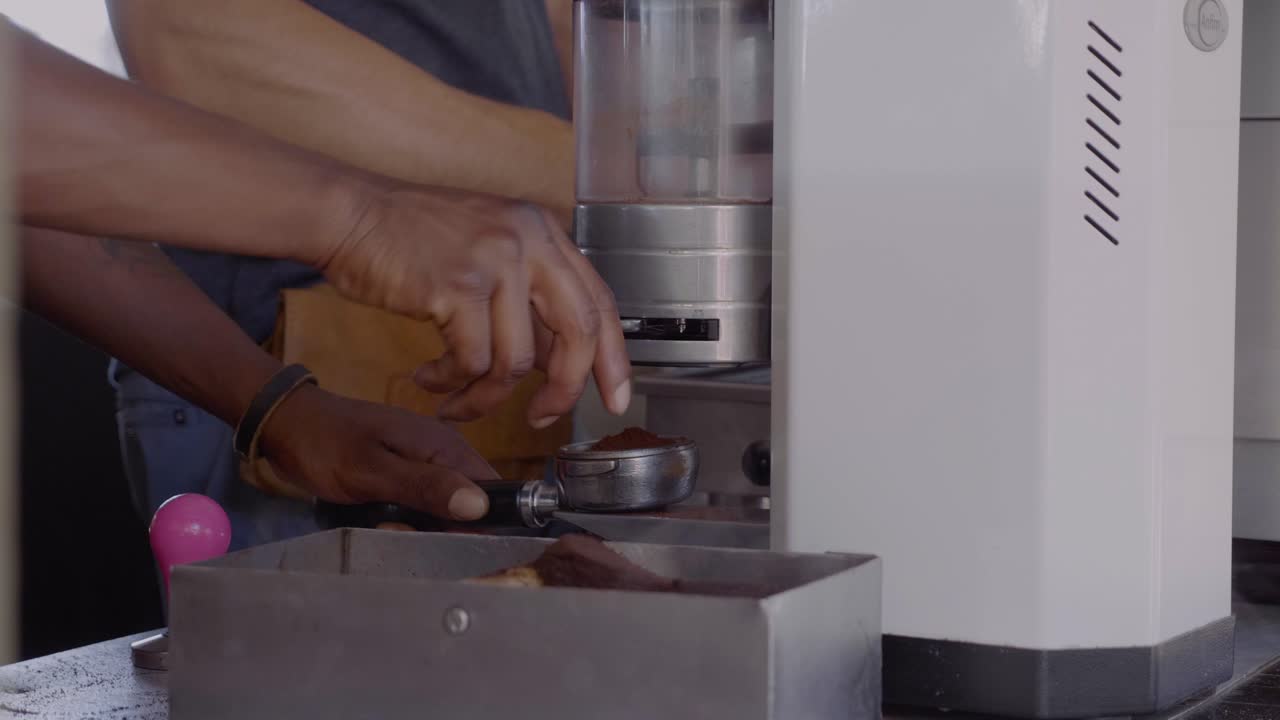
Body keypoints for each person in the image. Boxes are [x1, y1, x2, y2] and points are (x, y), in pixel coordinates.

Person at [12, 20, 629, 544]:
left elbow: (31, 198)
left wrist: (282, 409)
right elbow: (182, 36)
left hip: (298, 389)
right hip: (284, 334)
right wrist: (360, 220)